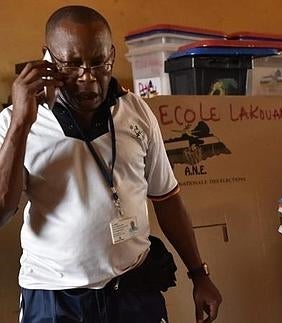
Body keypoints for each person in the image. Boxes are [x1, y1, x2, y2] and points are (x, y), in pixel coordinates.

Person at [0, 6, 221, 323]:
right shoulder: (14, 123)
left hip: (132, 288)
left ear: (113, 55)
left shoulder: (136, 112)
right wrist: (21, 123)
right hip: (54, 297)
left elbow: (167, 198)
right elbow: (2, 209)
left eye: (99, 62)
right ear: (47, 58)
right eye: (72, 65)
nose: (88, 77)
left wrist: (199, 274)